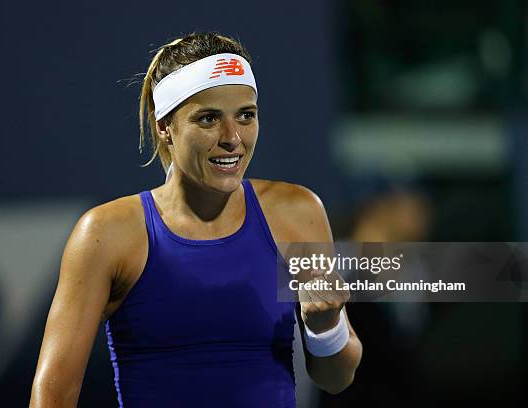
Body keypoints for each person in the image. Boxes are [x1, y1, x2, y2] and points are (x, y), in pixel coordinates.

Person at [29, 32, 362, 408]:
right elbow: (53, 395)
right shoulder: (107, 233)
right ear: (164, 126)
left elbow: (337, 378)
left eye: (246, 115)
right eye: (208, 119)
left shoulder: (298, 211)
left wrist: (326, 327)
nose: (233, 138)